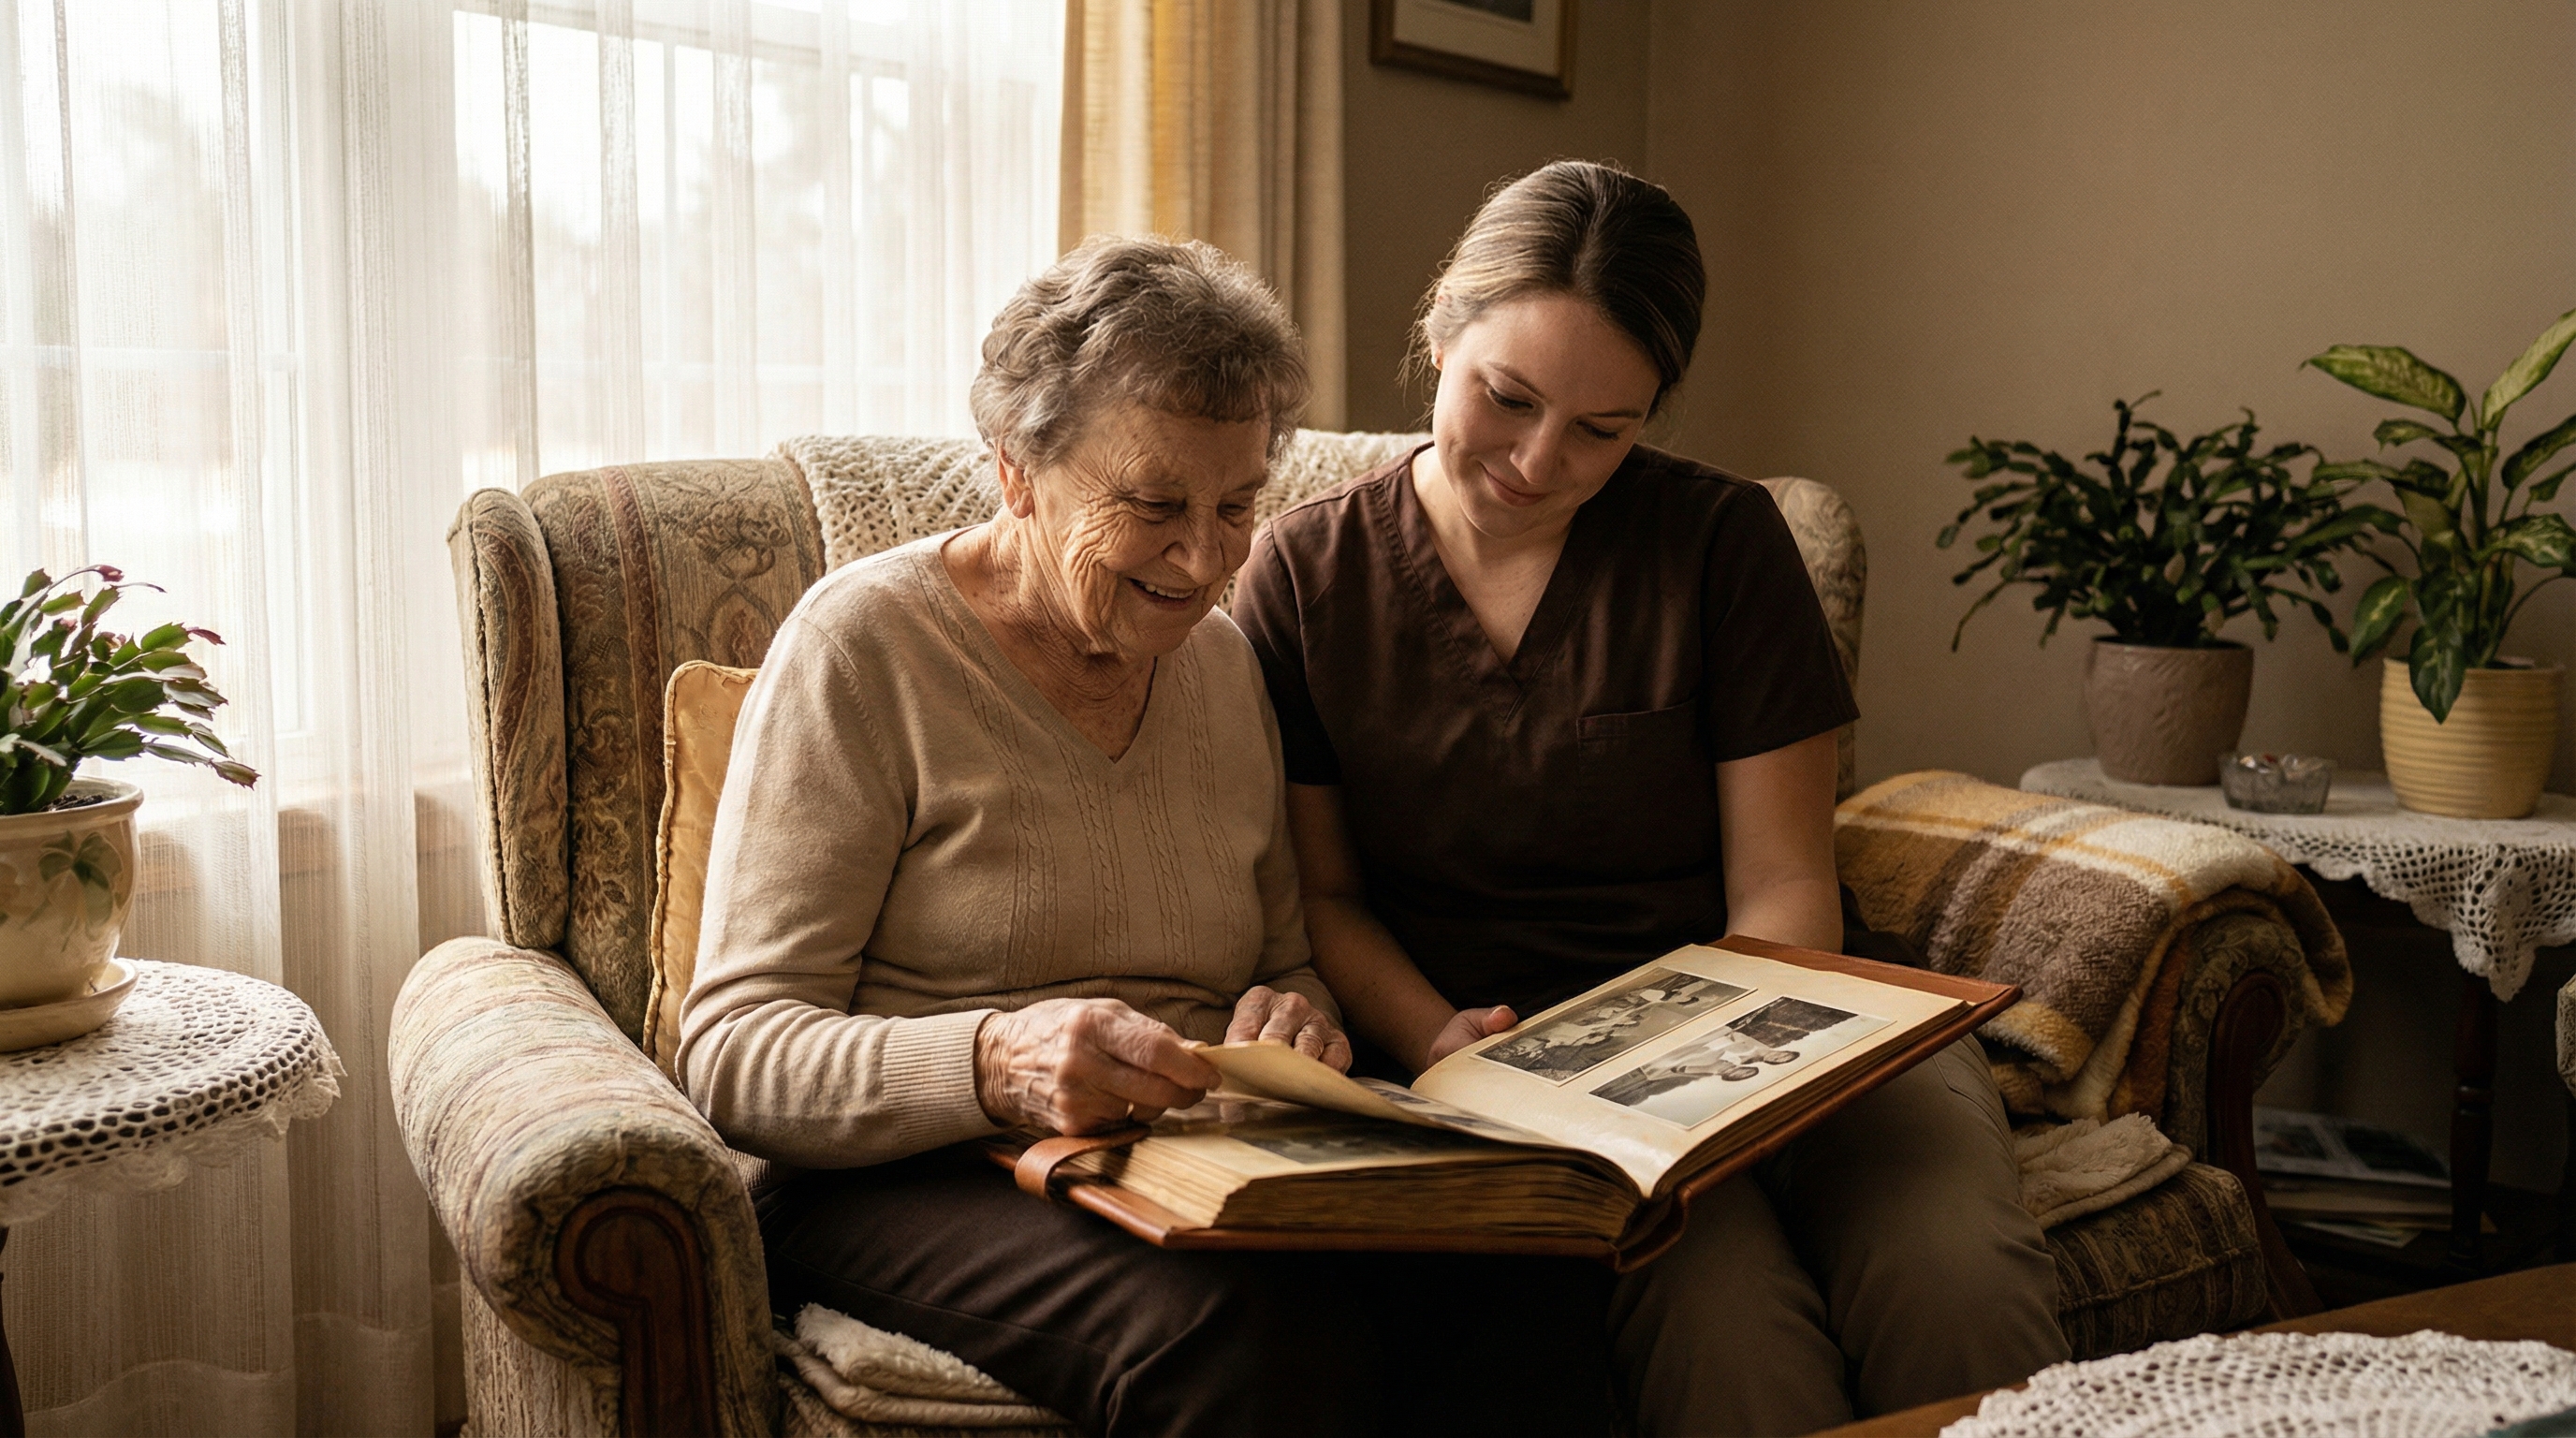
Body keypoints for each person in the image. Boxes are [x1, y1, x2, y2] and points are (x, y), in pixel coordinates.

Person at [678, 236, 1609, 1438]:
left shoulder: (1221, 663)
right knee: (1237, 1338)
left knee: (1525, 1279)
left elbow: (1283, 958)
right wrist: (995, 1062)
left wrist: (1294, 1018)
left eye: (1236, 506)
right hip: (912, 1173)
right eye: (1155, 505)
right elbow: (734, 1053)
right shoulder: (862, 649)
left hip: (1179, 1158)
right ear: (1017, 471)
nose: (1206, 557)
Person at [1229, 161, 2068, 1436]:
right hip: (1520, 1077)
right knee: (1730, 1342)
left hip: (1797, 1018)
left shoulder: (1723, 543)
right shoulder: (1303, 575)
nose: (1539, 460)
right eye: (1506, 398)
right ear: (1441, 334)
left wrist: (1719, 1080)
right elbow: (1324, 897)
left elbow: (1783, 882)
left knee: (1953, 1281)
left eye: (1601, 430)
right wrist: (1441, 1042)